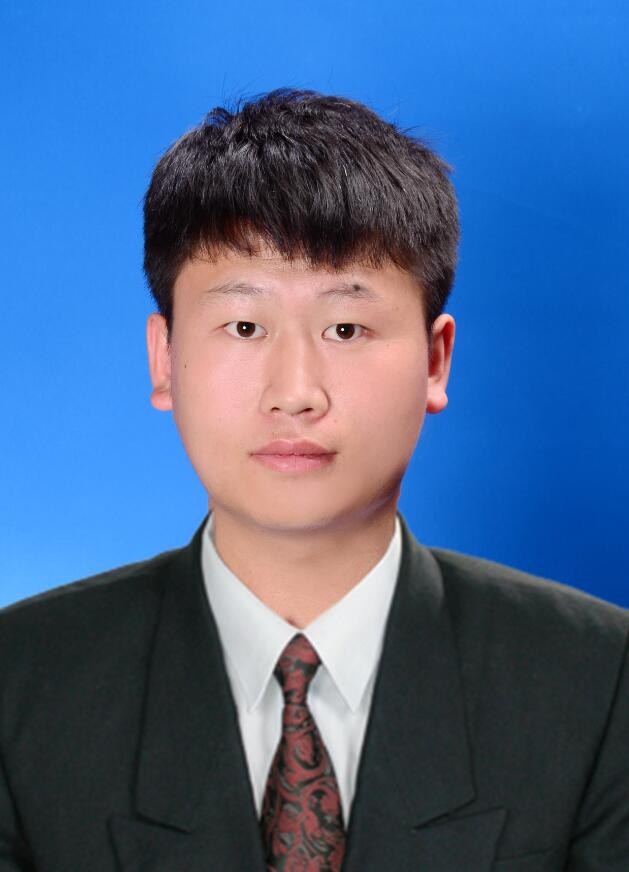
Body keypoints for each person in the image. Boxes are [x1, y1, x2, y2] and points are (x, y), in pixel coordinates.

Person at [0, 89, 627, 872]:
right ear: (164, 359)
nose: (295, 392)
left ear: (435, 361)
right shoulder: (19, 684)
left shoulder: (599, 682)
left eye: (345, 328)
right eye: (243, 326)